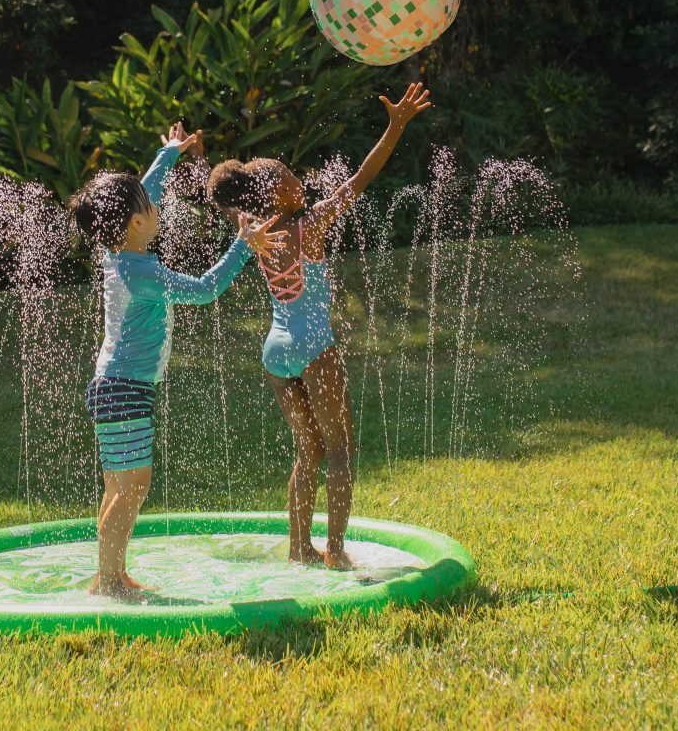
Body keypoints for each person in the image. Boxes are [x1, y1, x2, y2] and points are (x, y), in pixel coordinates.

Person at [206, 83, 433, 568]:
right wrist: (395, 127)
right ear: (275, 193)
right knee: (340, 450)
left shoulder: (253, 230)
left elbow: (228, 200)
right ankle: (335, 552)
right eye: (291, 179)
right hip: (313, 346)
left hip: (276, 351)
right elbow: (361, 179)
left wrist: (200, 161)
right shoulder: (309, 225)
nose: (300, 182)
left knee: (306, 451)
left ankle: (298, 549)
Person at [68, 122, 284, 599]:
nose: (156, 206)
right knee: (132, 487)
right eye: (149, 207)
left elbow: (142, 191)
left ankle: (112, 575)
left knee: (119, 487)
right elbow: (206, 289)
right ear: (134, 223)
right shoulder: (142, 273)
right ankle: (108, 581)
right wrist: (243, 246)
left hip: (115, 387)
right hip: (124, 389)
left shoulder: (119, 253)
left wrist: (169, 153)